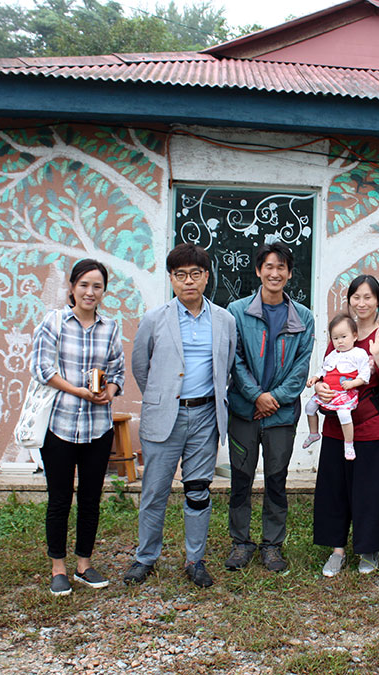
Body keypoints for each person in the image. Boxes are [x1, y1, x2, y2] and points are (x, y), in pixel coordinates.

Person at [122, 243, 237, 589]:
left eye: (196, 274)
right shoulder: (154, 319)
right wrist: (163, 399)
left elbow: (227, 366)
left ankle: (195, 559)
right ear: (172, 279)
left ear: (206, 277)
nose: (189, 281)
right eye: (181, 275)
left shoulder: (224, 320)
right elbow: (141, 367)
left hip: (205, 417)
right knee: (154, 491)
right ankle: (145, 557)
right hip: (165, 416)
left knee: (198, 490)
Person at [30, 259, 125, 596]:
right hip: (59, 425)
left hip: (98, 427)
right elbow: (42, 368)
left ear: (103, 292)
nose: (90, 292)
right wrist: (78, 390)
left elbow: (117, 372)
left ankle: (84, 563)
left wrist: (108, 392)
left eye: (97, 286)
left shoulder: (110, 327)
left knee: (90, 498)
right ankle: (58, 567)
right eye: (84, 284)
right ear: (71, 287)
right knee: (59, 499)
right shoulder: (53, 322)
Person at [224, 243, 315, 574]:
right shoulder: (237, 311)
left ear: (290, 273)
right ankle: (240, 542)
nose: (274, 273)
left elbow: (300, 369)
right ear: (259, 270)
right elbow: (234, 360)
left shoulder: (303, 317)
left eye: (281, 267)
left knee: (277, 479)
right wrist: (255, 396)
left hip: (281, 415)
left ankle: (272, 545)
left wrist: (272, 398)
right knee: (241, 478)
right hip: (244, 412)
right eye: (268, 266)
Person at [313, 275, 379, 576]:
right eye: (356, 297)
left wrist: (377, 355)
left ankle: (368, 548)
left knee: (367, 489)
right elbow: (327, 375)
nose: (361, 303)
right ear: (349, 300)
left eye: (368, 297)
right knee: (334, 486)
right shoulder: (341, 333)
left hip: (369, 424)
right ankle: (337, 550)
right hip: (336, 425)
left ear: (378, 301)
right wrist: (321, 388)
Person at [302, 314, 373, 461]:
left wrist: (353, 383)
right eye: (335, 338)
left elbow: (365, 374)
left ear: (354, 336)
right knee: (309, 407)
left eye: (343, 337)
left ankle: (348, 444)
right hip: (329, 392)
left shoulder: (359, 354)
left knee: (344, 414)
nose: (340, 341)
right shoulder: (332, 355)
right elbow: (323, 370)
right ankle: (313, 433)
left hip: (345, 393)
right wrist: (315, 379)